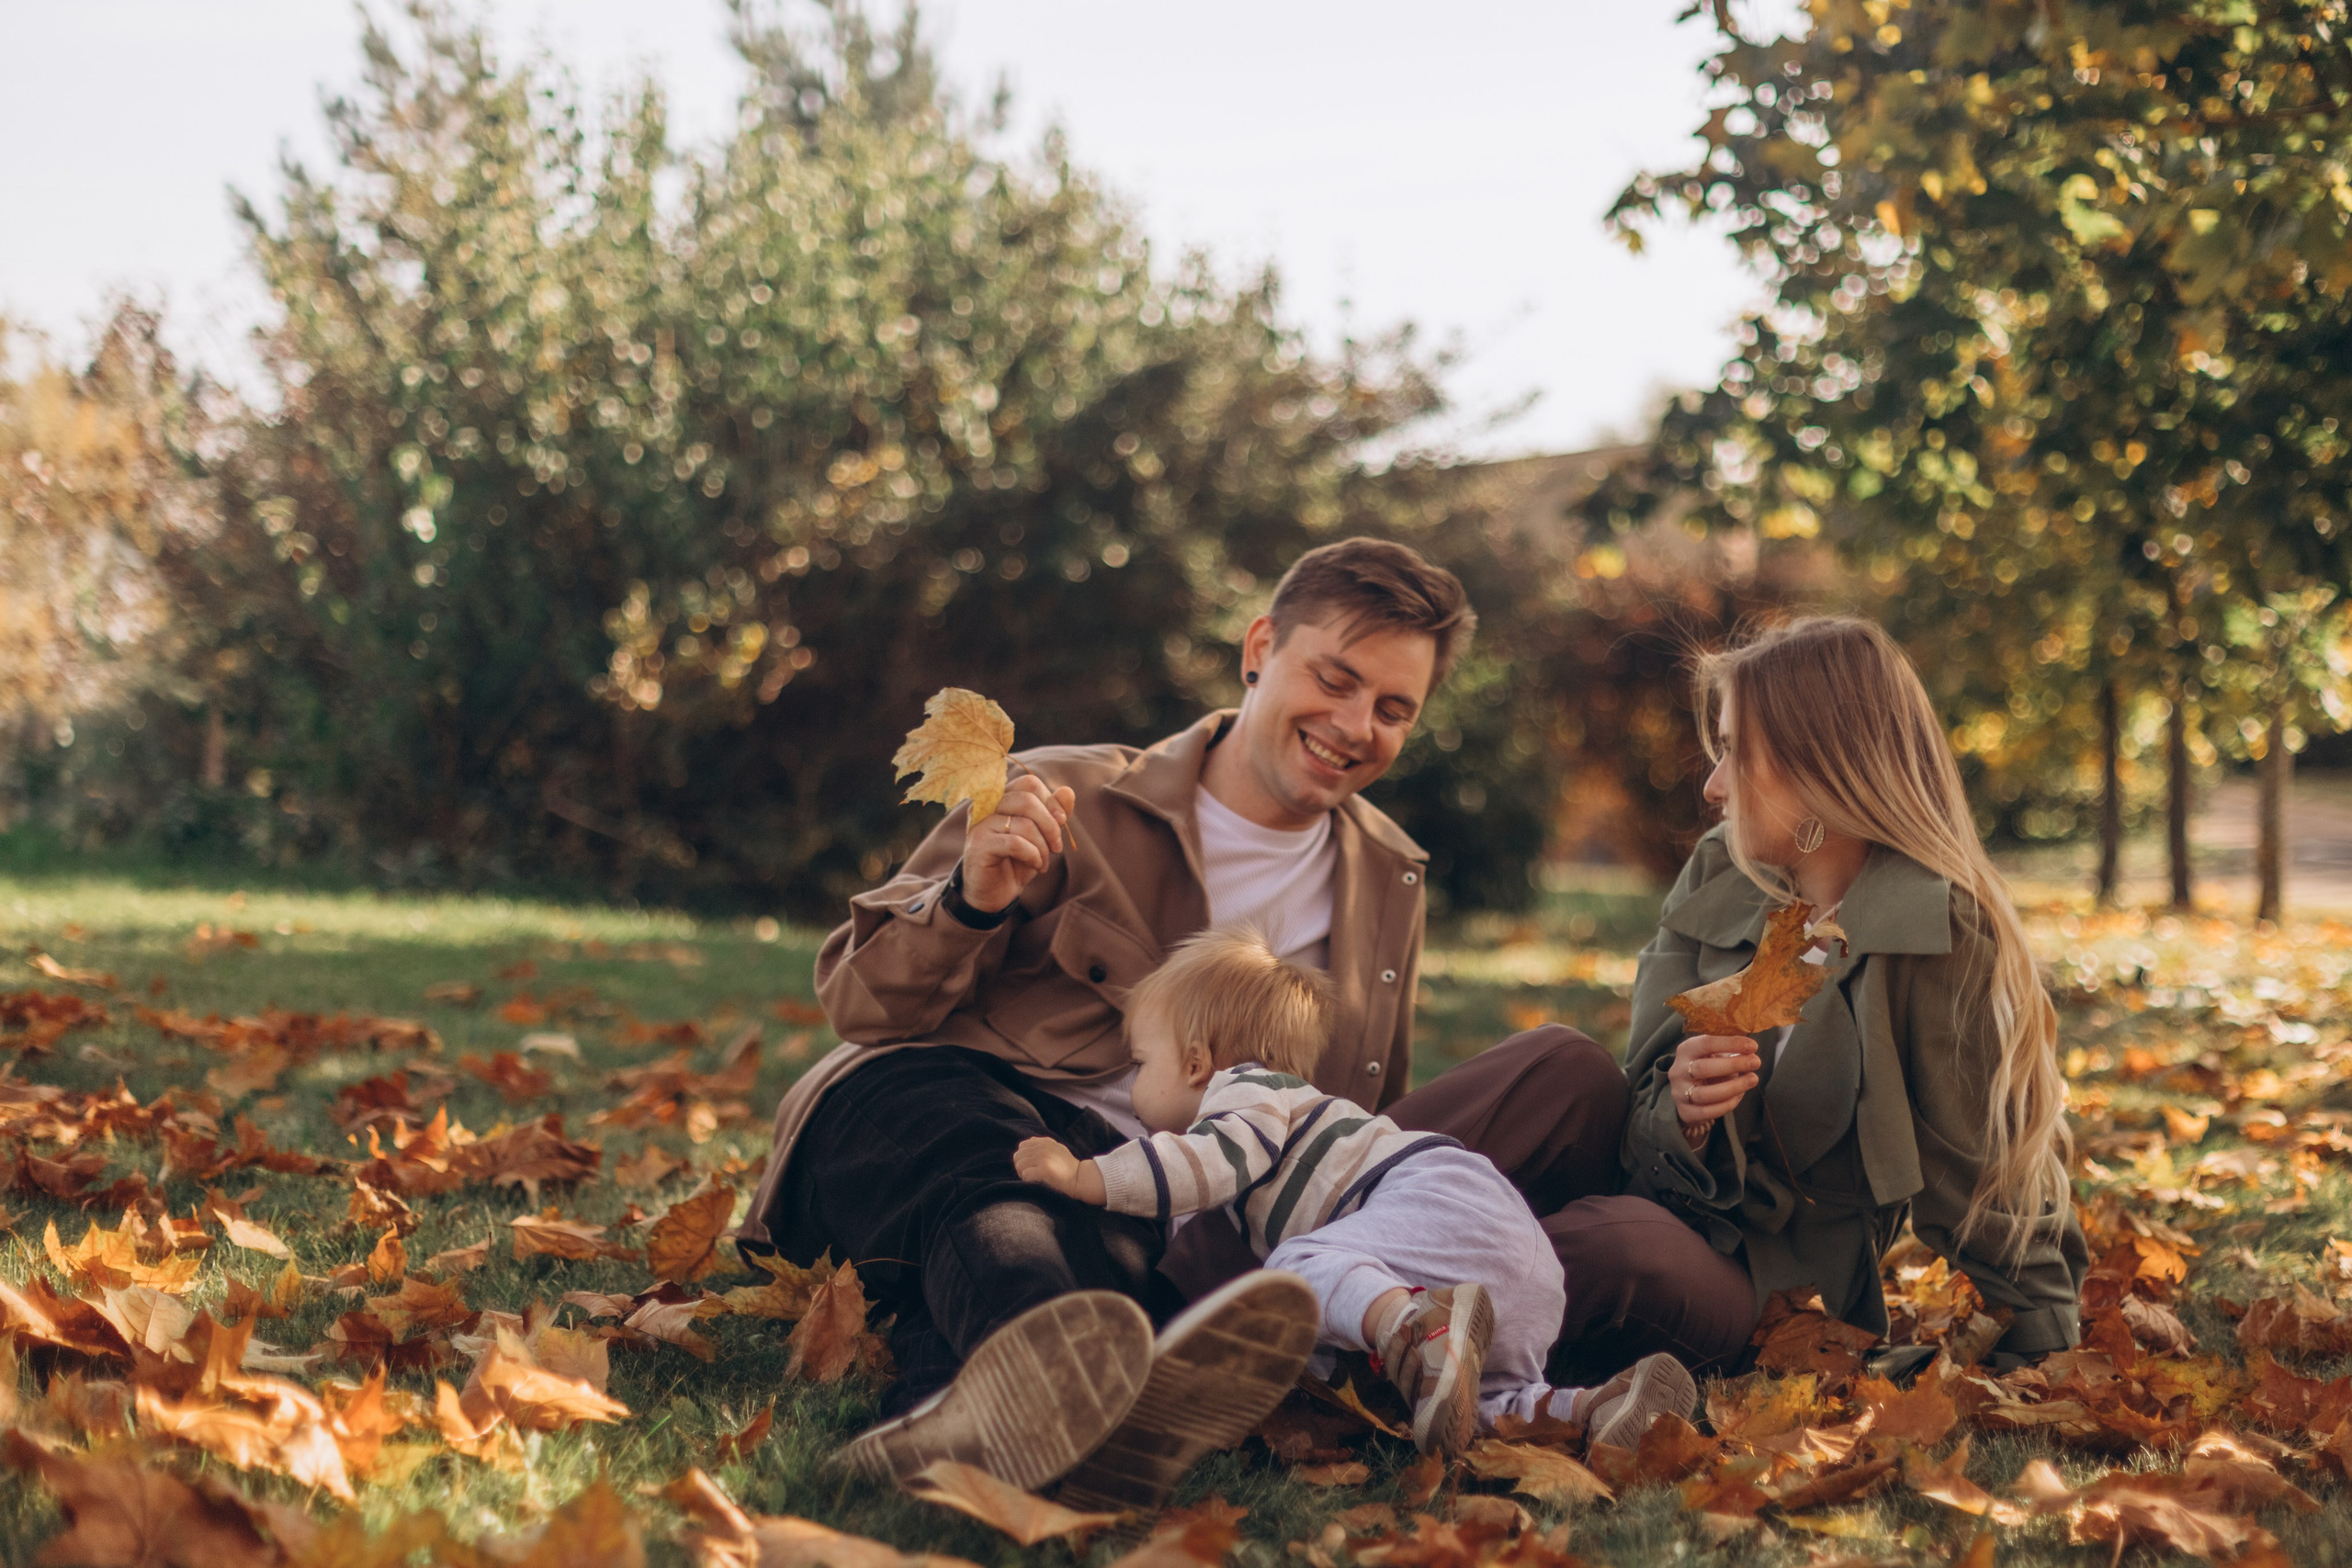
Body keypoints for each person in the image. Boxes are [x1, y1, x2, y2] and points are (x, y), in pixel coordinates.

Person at [738, 537, 1636, 1500]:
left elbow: (1348, 1111)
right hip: (932, 1112)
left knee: (1090, 1264)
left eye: (1392, 709)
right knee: (1000, 1179)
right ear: (1260, 649)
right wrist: (971, 897)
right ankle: (1052, 1385)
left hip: (1151, 1205)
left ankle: (972, 1429)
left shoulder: (1389, 878)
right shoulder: (1067, 790)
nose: (1353, 725)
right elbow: (862, 1003)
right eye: (1334, 679)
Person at [1015, 923, 1697, 1471]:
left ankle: (1419, 1327)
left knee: (1291, 1272)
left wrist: (1085, 1176)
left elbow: (1206, 1165)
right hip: (1519, 1263)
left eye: (1140, 1062)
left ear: (1196, 1063)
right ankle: (1594, 1409)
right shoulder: (1275, 1106)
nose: (1132, 1084)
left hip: (1438, 1198)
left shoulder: (1245, 1090)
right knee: (1493, 1401)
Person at [1595, 616, 2086, 1369]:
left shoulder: (1934, 931)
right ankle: (1403, 1237)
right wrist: (1686, 1117)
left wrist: (2049, 1352)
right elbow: (1632, 1106)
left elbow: (1984, 1182)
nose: (1714, 786)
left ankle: (1424, 1287)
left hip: (1775, 1288)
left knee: (1605, 1247)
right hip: (1650, 1202)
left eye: (1736, 753)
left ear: (1819, 768)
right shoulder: (1719, 871)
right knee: (1556, 1064)